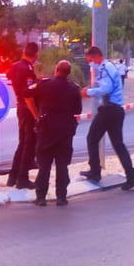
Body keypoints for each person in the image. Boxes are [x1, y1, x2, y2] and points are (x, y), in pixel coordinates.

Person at [80, 45, 134, 190]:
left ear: (96, 57)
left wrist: (88, 92)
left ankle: (95, 172)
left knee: (92, 139)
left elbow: (105, 89)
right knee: (118, 145)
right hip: (116, 110)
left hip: (109, 110)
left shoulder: (105, 67)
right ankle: (131, 175)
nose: (90, 63)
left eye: (90, 60)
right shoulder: (108, 66)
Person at [32, 60, 83, 206]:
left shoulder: (44, 85)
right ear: (68, 73)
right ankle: (61, 197)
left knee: (44, 165)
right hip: (65, 132)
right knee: (62, 165)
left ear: (56, 70)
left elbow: (27, 93)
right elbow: (77, 110)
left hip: (47, 131)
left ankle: (41, 197)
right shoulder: (74, 88)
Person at [6, 42, 40, 189]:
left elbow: (9, 77)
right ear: (36, 54)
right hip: (27, 108)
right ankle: (22, 179)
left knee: (22, 144)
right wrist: (36, 115)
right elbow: (29, 92)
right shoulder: (28, 69)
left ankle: (13, 177)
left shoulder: (15, 66)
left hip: (20, 108)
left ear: (24, 52)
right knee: (29, 144)